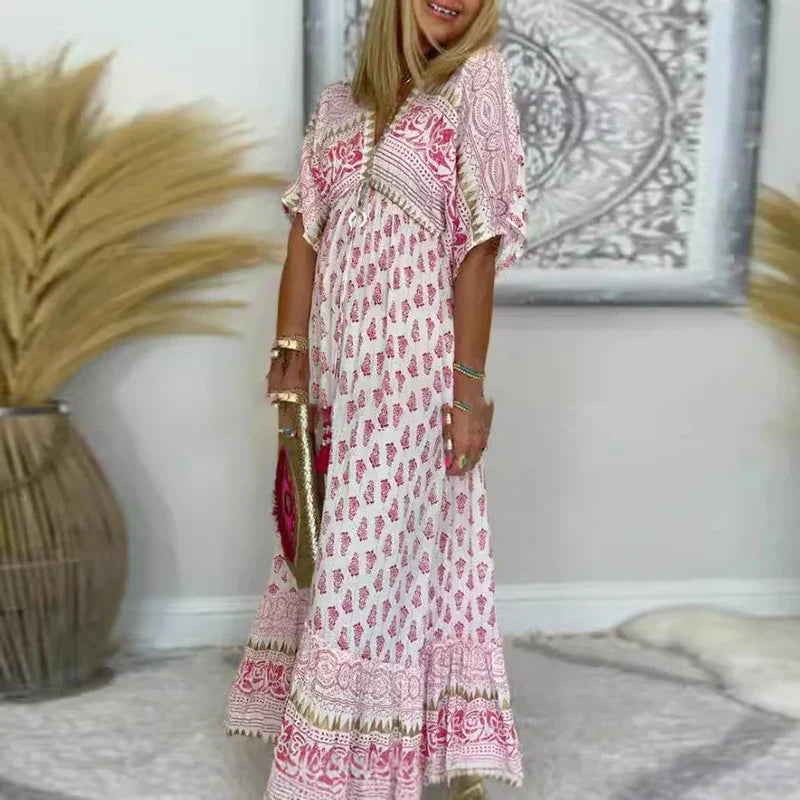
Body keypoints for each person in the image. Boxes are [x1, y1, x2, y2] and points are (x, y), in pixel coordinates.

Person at [226, 0, 528, 797]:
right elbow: (305, 234)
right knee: (338, 552)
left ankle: (340, 774)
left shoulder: (476, 84)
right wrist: (289, 353)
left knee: (366, 569)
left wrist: (468, 393)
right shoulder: (337, 107)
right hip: (335, 371)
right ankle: (437, 756)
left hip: (408, 375)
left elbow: (479, 248)